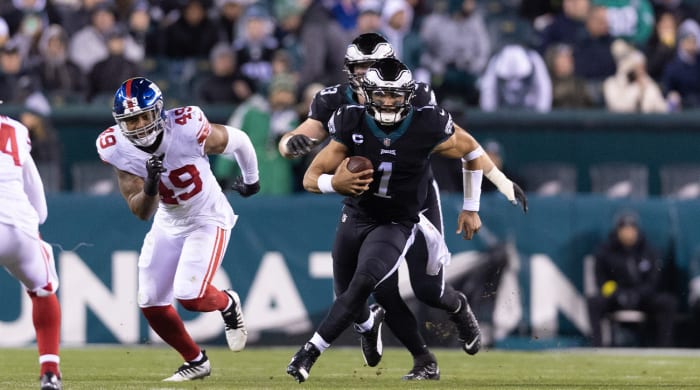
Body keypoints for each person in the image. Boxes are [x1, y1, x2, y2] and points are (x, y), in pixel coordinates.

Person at [279, 33, 527, 380]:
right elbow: (297, 147)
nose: (367, 75)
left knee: (427, 289)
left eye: (374, 67)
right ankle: (412, 352)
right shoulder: (340, 108)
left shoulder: (423, 106)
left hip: (414, 203)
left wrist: (482, 197)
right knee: (373, 289)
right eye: (360, 67)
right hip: (364, 205)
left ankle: (457, 307)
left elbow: (468, 147)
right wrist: (297, 150)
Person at [95, 77, 260, 381]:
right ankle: (196, 361)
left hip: (206, 217)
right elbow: (141, 211)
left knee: (190, 295)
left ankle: (228, 302)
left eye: (144, 116)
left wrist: (251, 179)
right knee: (150, 301)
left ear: (158, 111)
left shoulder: (186, 127)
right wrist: (150, 185)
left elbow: (238, 140)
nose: (140, 124)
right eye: (131, 120)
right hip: (168, 221)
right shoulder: (115, 148)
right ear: (120, 123)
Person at [0, 114, 63, 389]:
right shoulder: (14, 128)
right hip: (19, 227)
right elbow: (33, 184)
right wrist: (35, 222)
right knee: (43, 290)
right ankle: (50, 372)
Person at [587, 210, 677, 347]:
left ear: (637, 230)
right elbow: (602, 282)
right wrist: (618, 294)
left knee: (668, 302)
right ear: (618, 231)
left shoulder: (649, 251)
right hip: (616, 297)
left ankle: (664, 348)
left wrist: (637, 294)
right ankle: (597, 346)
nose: (628, 233)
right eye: (624, 229)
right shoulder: (605, 252)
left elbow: (653, 282)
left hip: (643, 297)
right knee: (594, 302)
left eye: (631, 229)